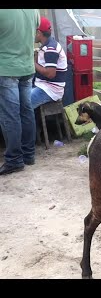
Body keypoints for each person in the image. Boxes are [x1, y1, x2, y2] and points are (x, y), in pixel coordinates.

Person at [0, 9, 40, 175]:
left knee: (11, 116)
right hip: (27, 67)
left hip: (7, 68)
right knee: (26, 111)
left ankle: (14, 160)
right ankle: (28, 155)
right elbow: (35, 29)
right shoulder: (34, 11)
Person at [31, 17, 68, 109]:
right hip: (43, 85)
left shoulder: (50, 48)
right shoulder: (47, 46)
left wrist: (33, 63)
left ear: (39, 33)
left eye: (33, 31)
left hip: (50, 90)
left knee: (20, 104)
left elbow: (50, 74)